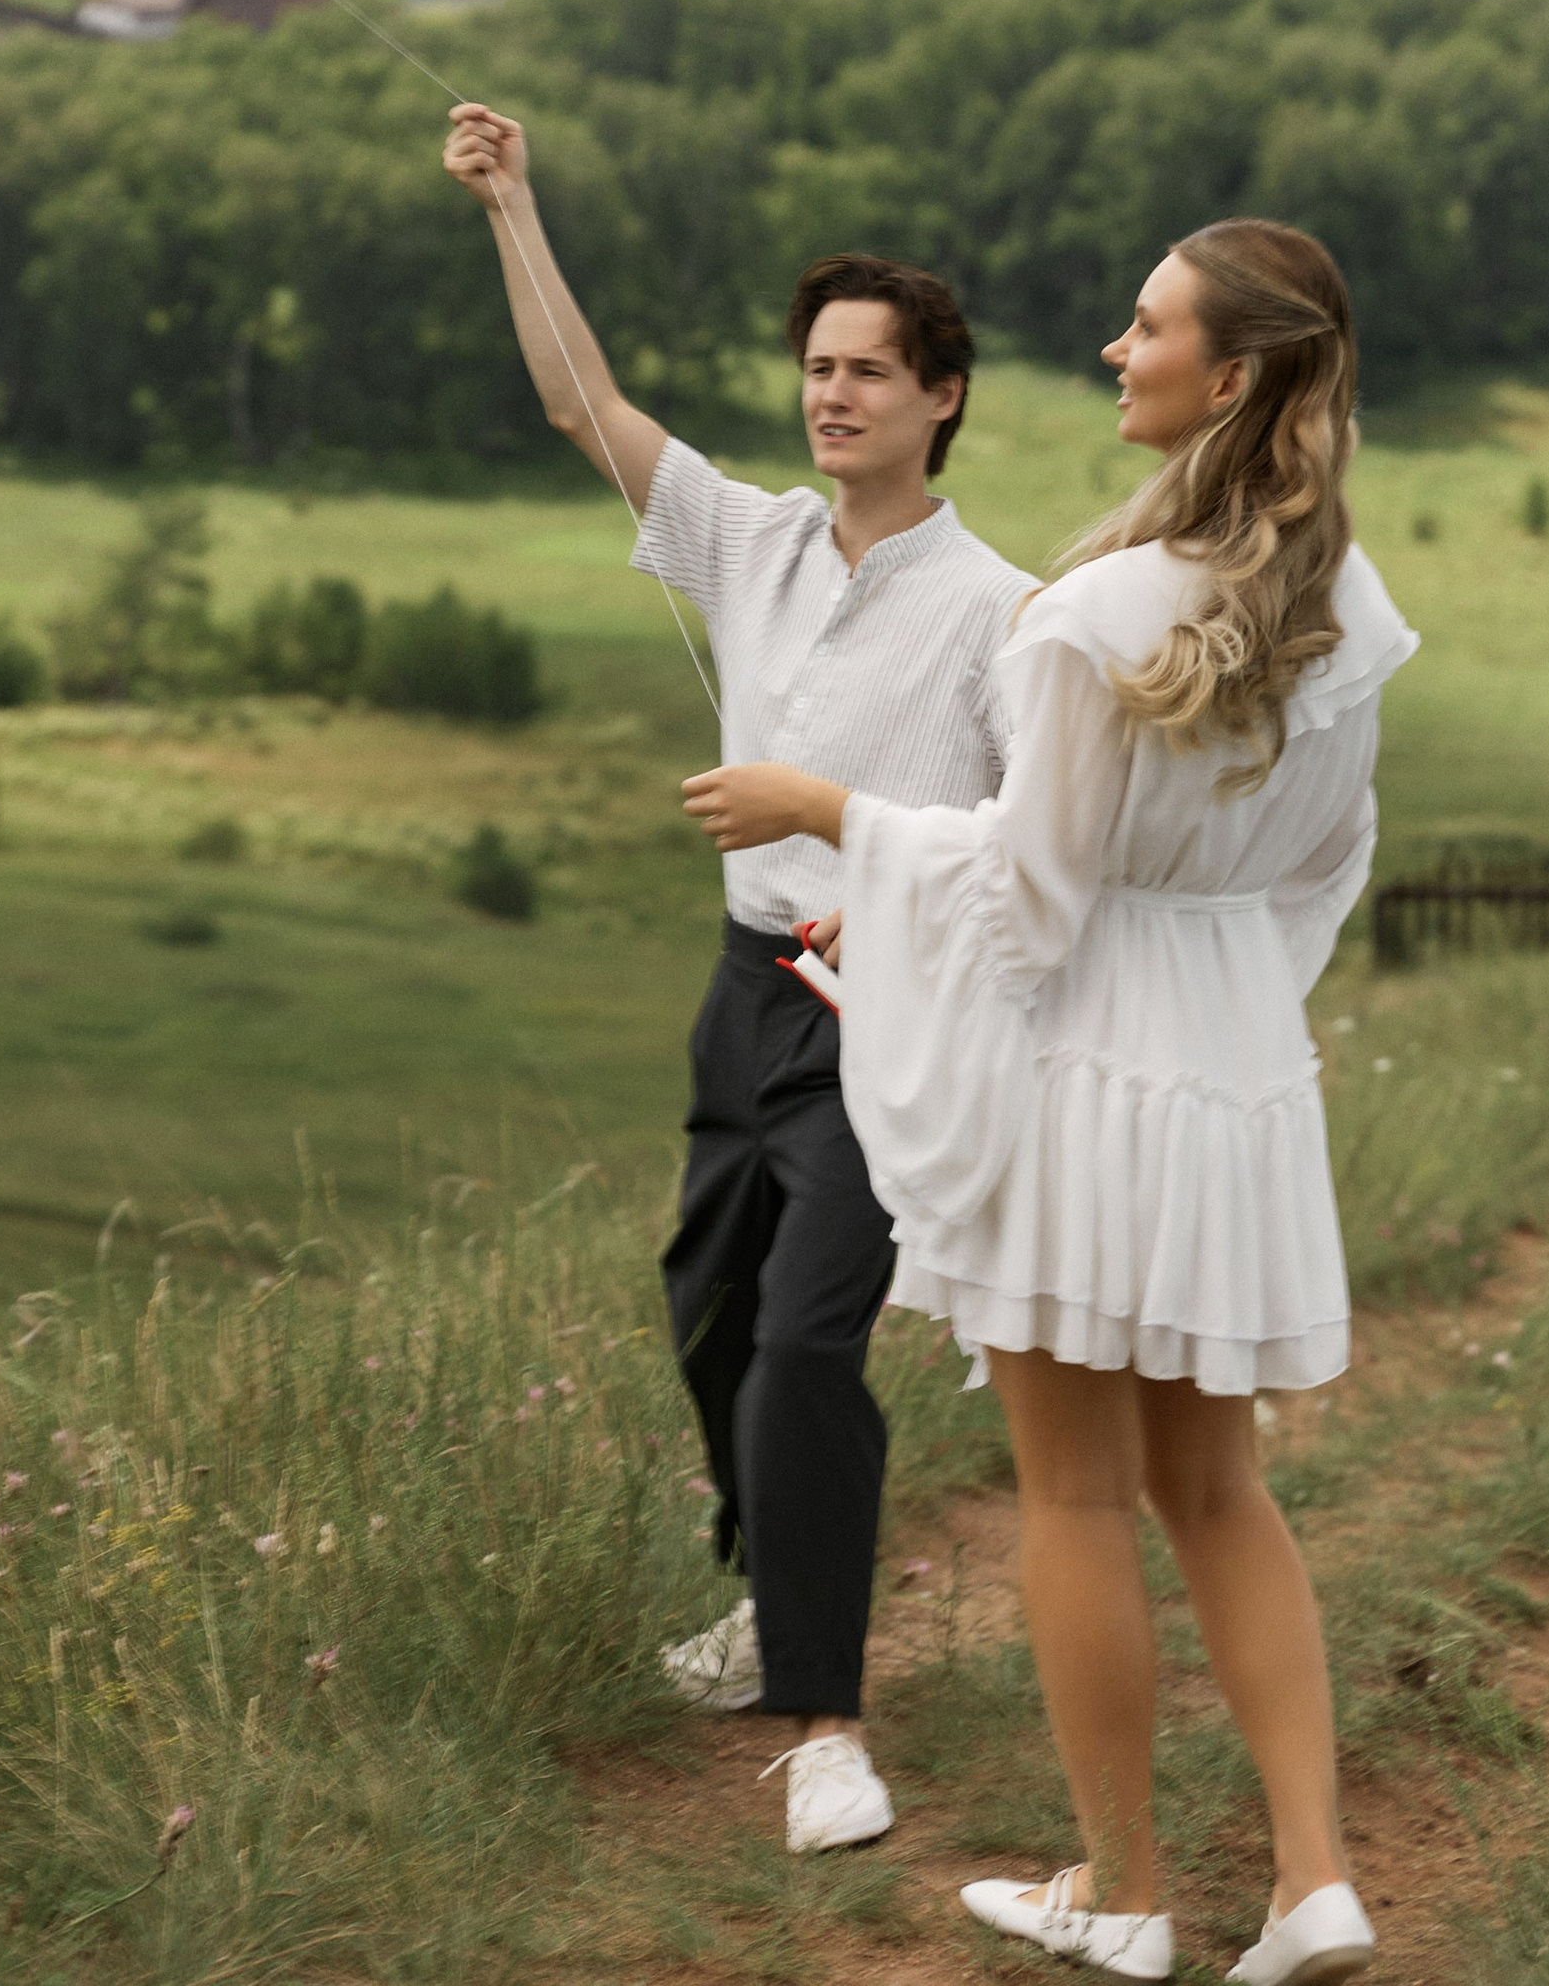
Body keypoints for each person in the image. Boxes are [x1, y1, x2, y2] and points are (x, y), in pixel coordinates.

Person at [681, 219, 1411, 1986]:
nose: (1110, 347)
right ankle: (1316, 1882)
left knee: (1074, 1496)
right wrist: (1216, 997)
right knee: (1220, 1490)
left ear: (1225, 379)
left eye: (1144, 327)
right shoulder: (1348, 609)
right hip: (1237, 1064)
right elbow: (1324, 869)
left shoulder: (1085, 615)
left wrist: (836, 814)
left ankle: (1125, 1890)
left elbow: (1032, 902)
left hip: (1088, 1075)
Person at [441, 100, 1038, 1858]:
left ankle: (828, 1728)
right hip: (746, 988)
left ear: (941, 397)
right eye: (816, 365)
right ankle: (774, 1591)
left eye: (869, 369)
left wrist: (897, 906)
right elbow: (581, 406)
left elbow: (1027, 838)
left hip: (897, 1016)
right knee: (706, 1306)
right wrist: (512, 205)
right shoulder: (750, 540)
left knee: (801, 1344)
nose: (832, 393)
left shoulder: (998, 609)